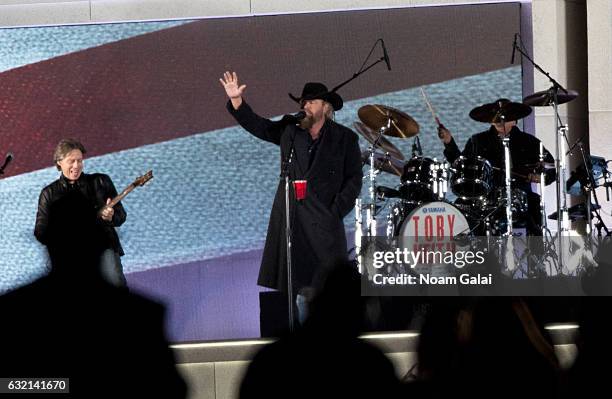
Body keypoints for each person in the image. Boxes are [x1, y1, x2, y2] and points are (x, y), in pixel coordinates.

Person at [220, 72, 362, 317]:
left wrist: (336, 209)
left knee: (329, 286)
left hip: (325, 221)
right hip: (295, 220)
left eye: (311, 102)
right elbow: (261, 127)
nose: (305, 106)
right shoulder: (290, 131)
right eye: (303, 102)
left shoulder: (345, 138)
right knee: (300, 287)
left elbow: (354, 178)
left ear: (325, 107)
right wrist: (237, 102)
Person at [438, 98, 555, 235]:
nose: (500, 120)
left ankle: (535, 251)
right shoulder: (478, 141)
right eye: (496, 117)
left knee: (534, 206)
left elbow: (551, 168)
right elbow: (461, 166)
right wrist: (449, 143)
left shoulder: (530, 142)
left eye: (505, 117)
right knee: (463, 208)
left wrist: (541, 177)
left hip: (521, 196)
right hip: (485, 197)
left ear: (515, 119)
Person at [34, 138, 128, 287]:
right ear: (59, 162)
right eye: (71, 161)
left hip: (104, 251)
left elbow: (121, 216)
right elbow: (40, 232)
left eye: (80, 161)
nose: (77, 166)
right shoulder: (49, 193)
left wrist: (110, 217)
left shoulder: (101, 181)